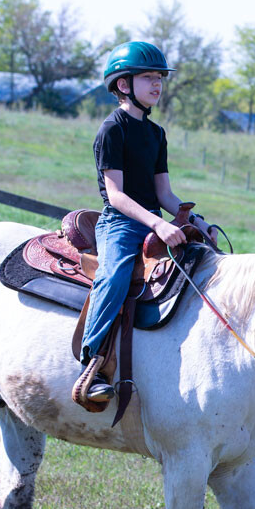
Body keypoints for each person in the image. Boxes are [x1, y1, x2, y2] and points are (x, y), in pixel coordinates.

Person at [74, 41, 213, 404]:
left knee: (205, 259)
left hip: (153, 221)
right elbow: (117, 195)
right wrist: (157, 224)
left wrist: (191, 218)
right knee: (115, 274)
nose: (157, 85)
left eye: (159, 79)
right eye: (148, 78)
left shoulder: (156, 134)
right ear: (123, 85)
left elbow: (164, 193)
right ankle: (92, 360)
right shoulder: (111, 130)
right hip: (120, 223)